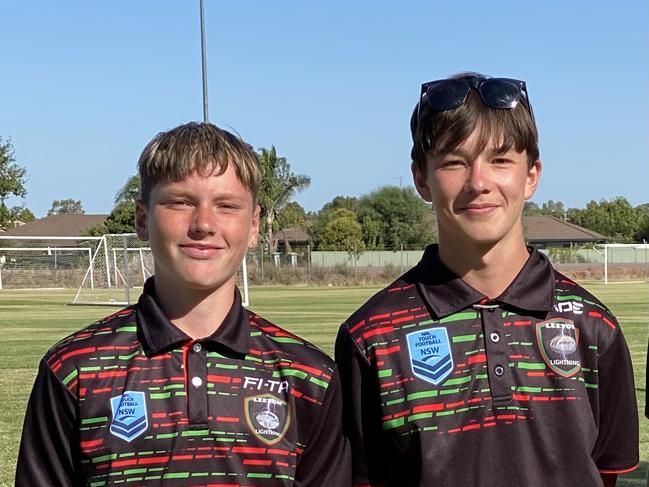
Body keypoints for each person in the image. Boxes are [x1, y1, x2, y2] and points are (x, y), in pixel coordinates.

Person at [335, 73, 639, 487]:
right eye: (454, 161)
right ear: (421, 178)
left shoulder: (591, 325)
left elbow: (605, 472)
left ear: (531, 175)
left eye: (500, 160)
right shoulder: (370, 336)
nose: (479, 182)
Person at [16, 122, 350, 486]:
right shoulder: (73, 370)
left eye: (226, 206)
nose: (203, 224)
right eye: (180, 202)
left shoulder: (309, 376)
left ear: (254, 226)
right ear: (143, 220)